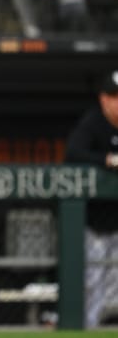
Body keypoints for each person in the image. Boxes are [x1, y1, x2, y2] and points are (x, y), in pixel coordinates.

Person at [65, 69, 118, 328]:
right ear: (103, 99)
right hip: (94, 223)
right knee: (92, 281)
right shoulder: (94, 122)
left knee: (114, 286)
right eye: (114, 96)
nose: (117, 102)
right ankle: (88, 330)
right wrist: (107, 160)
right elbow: (73, 153)